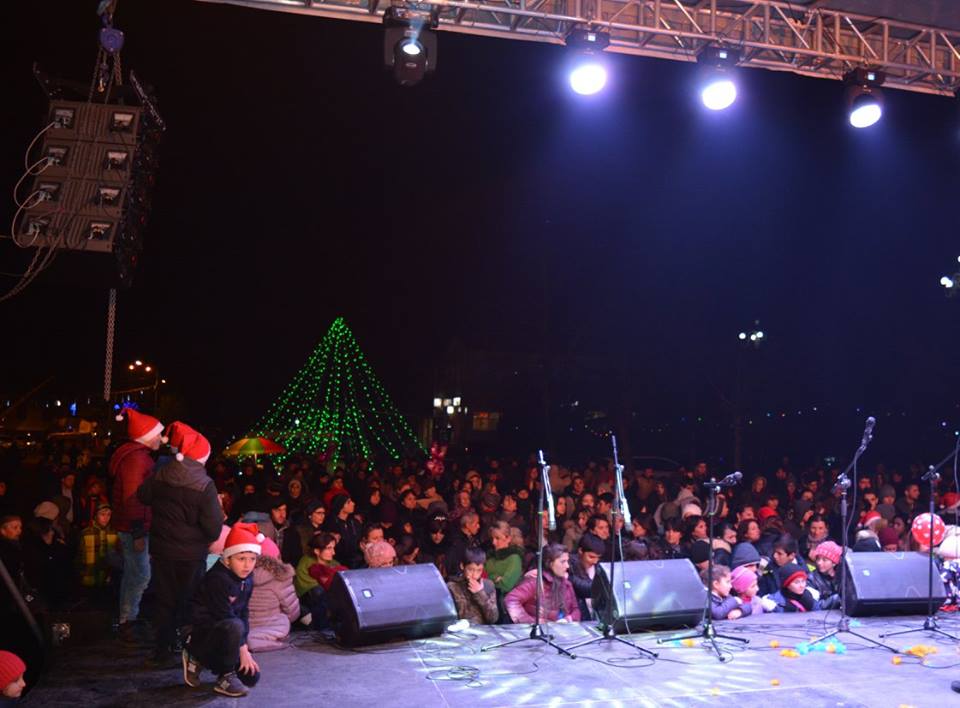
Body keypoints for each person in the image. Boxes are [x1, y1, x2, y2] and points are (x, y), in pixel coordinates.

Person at [137, 421, 224, 667]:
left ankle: (162, 649)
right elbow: (213, 528)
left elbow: (143, 495)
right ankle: (188, 649)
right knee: (189, 600)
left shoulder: (162, 474)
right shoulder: (205, 485)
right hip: (191, 554)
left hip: (163, 551)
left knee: (164, 599)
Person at [182, 522, 262, 698]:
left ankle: (217, 663)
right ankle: (218, 671)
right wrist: (242, 650)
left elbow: (243, 612)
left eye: (252, 559)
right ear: (227, 559)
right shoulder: (218, 579)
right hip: (201, 632)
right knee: (234, 625)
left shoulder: (247, 578)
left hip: (226, 630)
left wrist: (245, 649)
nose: (247, 565)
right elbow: (224, 616)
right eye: (241, 559)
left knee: (251, 677)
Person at [109, 408, 163, 643]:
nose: (161, 438)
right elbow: (133, 498)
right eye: (158, 434)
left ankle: (127, 619)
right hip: (134, 527)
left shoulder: (137, 457)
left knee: (134, 574)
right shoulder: (137, 460)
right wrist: (139, 531)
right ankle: (128, 621)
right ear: (146, 436)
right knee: (141, 575)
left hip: (131, 526)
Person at [504, 543, 580, 624]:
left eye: (567, 561)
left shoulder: (567, 584)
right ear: (550, 563)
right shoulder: (535, 582)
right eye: (563, 562)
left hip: (561, 630)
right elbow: (511, 600)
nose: (567, 566)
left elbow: (576, 610)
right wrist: (530, 623)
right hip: (539, 630)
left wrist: (567, 619)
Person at [247, 538, 300, 653]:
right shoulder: (281, 577)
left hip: (245, 624)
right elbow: (292, 611)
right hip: (273, 626)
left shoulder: (242, 573)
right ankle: (257, 640)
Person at [446, 547, 499, 625]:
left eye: (479, 570)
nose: (474, 575)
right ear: (462, 566)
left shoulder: (488, 585)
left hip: (483, 630)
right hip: (461, 630)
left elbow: (493, 618)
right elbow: (449, 618)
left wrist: (480, 593)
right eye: (470, 569)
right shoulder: (452, 587)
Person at [76, 502, 120, 589]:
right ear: (96, 515)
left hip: (107, 578)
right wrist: (80, 572)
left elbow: (116, 555)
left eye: (108, 515)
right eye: (102, 514)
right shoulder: (86, 533)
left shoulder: (114, 533)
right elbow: (79, 555)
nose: (106, 518)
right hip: (88, 576)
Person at [567, 532, 604, 620]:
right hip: (581, 618)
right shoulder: (570, 566)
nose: (595, 561)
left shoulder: (599, 567)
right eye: (591, 557)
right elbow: (583, 588)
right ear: (580, 551)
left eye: (598, 557)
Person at [484, 521, 523, 594]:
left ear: (508, 538)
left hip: (504, 599)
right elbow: (480, 577)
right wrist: (495, 578)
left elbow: (506, 585)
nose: (493, 542)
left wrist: (488, 578)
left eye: (497, 538)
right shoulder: (490, 557)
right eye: (492, 538)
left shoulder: (514, 558)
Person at [807, 540, 842, 609]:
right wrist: (836, 599)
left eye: (824, 560)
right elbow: (814, 605)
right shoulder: (811, 579)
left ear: (834, 563)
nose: (819, 563)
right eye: (818, 559)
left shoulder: (842, 577)